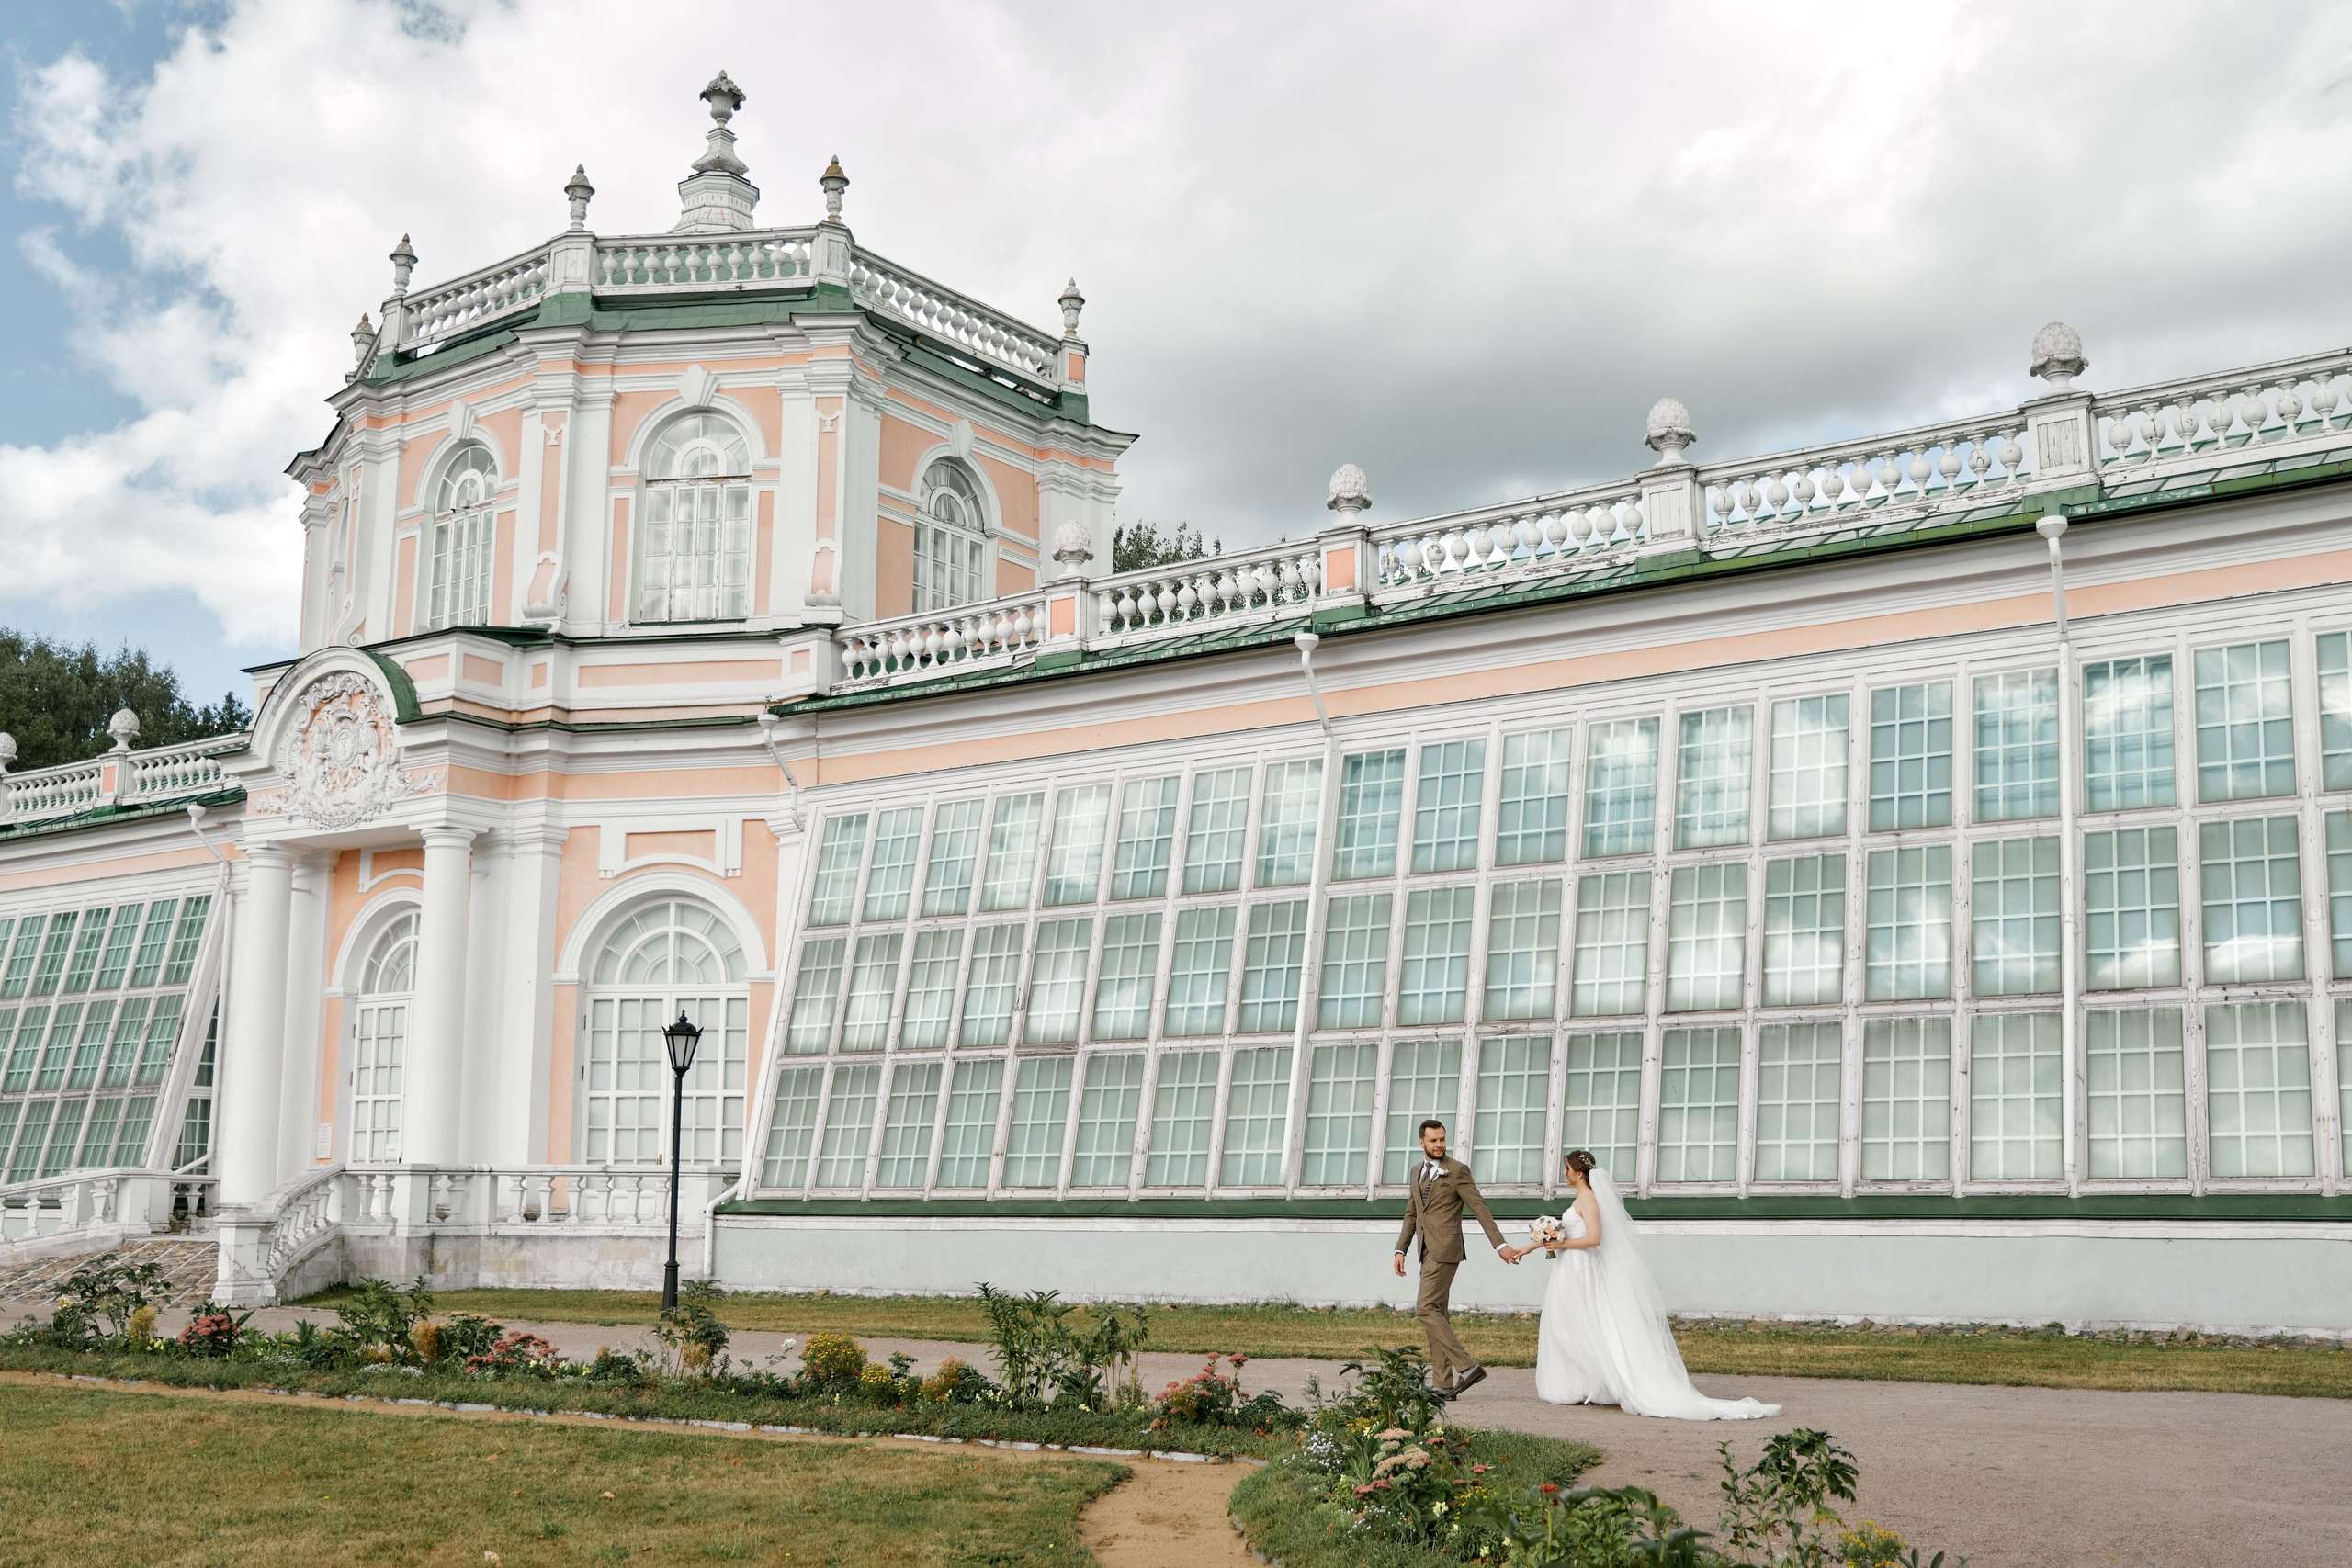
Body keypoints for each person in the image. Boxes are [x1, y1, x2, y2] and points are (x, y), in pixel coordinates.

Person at [1500, 1149, 1781, 1421]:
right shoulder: (1579, 1200)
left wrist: (1563, 1245)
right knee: (1567, 1325)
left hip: (1583, 1269)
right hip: (1569, 1269)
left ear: (1580, 1174)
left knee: (1580, 1326)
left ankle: (1602, 1382)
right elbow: (1562, 1234)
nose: (1565, 1173)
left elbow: (1595, 1238)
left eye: (1568, 1169)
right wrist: (1529, 1248)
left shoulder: (1589, 1200)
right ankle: (1586, 1384)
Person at [1393, 1118, 1515, 1400]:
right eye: (1433, 1140)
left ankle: (1468, 1367)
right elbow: (1412, 1213)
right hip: (1425, 1249)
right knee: (1437, 1313)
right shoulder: (1416, 1171)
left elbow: (1480, 1208)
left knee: (1425, 1308)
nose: (1439, 1145)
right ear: (1421, 1142)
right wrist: (1401, 1249)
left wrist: (1500, 1245)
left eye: (1442, 1139)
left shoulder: (1457, 1170)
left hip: (1446, 1249)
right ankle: (1442, 1384)